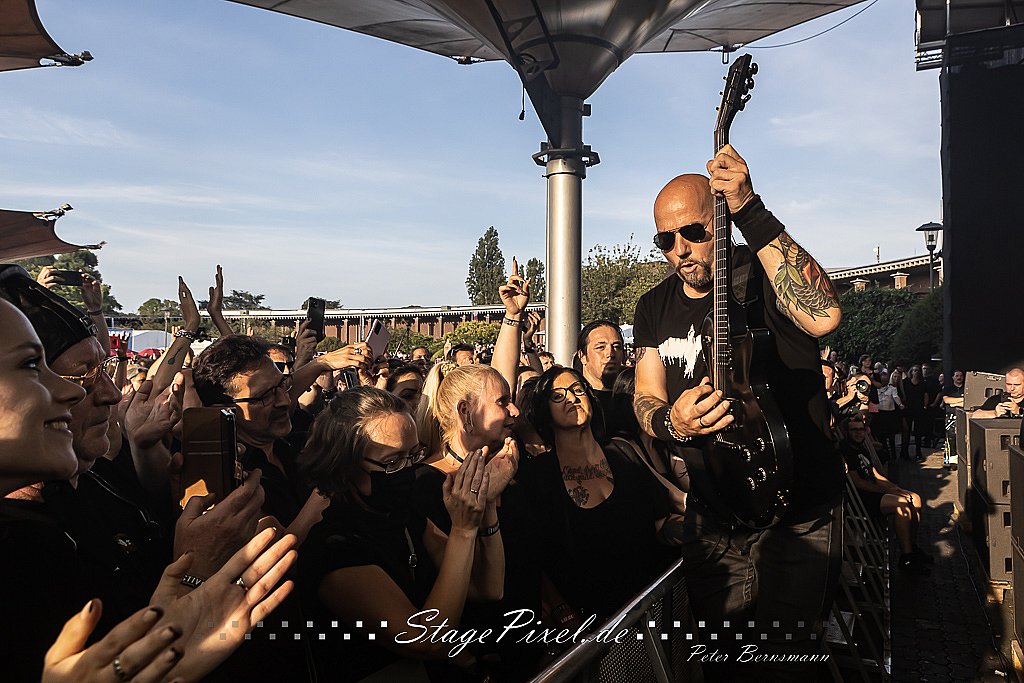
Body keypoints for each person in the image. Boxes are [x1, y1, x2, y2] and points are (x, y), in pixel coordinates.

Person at [631, 146, 844, 681]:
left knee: (785, 666)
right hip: (714, 517)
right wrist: (671, 422)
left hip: (796, 512)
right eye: (665, 240)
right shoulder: (653, 306)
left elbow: (824, 316)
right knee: (723, 665)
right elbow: (645, 395)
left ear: (718, 219)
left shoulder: (762, 272)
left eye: (692, 232)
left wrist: (749, 207)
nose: (679, 249)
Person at [298, 387, 499, 681]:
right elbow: (426, 640)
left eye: (413, 455)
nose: (407, 470)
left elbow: (487, 588)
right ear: (344, 465)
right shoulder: (335, 546)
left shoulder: (403, 515)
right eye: (392, 462)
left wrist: (487, 503)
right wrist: (463, 530)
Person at [521, 367, 681, 623]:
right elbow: (533, 554)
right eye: (558, 396)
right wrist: (561, 609)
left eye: (577, 390)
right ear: (544, 410)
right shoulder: (539, 475)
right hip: (590, 620)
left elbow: (660, 524)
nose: (572, 398)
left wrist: (697, 531)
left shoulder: (622, 451)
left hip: (647, 606)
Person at [841, 417, 931, 573]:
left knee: (915, 498)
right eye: (854, 430)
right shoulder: (847, 451)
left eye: (861, 429)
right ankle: (906, 558)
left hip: (876, 491)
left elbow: (876, 476)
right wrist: (889, 491)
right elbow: (858, 483)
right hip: (863, 498)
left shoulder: (861, 449)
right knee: (902, 505)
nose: (859, 433)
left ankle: (912, 547)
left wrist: (896, 488)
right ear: (847, 433)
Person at [573, 320, 626, 434]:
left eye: (616, 347)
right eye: (600, 347)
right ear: (582, 356)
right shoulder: (574, 402)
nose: (610, 353)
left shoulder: (632, 398)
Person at [901, 365, 930, 461]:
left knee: (918, 431)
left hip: (919, 409)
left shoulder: (923, 383)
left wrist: (925, 405)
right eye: (914, 370)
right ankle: (904, 452)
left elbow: (926, 394)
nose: (916, 372)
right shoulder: (906, 382)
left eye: (917, 370)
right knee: (907, 431)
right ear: (911, 372)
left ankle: (918, 452)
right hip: (908, 408)